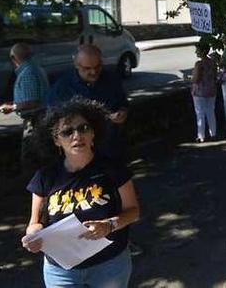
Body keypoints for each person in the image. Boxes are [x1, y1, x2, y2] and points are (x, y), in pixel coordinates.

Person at [21, 98, 140, 288]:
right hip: (61, 271)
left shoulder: (113, 169)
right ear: (56, 140)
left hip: (109, 265)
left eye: (83, 128)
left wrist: (109, 225)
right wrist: (33, 237)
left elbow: (133, 211)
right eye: (67, 132)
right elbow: (34, 223)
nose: (77, 136)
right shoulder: (46, 176)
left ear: (93, 133)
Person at [46, 45, 130, 164]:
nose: (93, 72)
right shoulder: (62, 87)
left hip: (111, 147)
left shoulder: (111, 79)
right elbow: (52, 120)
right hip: (80, 151)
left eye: (97, 67)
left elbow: (122, 102)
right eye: (87, 68)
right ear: (76, 65)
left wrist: (123, 112)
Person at [0, 42, 50, 168]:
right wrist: (14, 103)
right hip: (40, 117)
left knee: (31, 159)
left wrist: (12, 107)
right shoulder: (35, 68)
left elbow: (33, 101)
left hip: (35, 120)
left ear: (14, 58)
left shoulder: (27, 73)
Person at [191, 43, 219, 142]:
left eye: (197, 50)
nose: (196, 52)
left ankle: (201, 136)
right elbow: (215, 76)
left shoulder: (199, 64)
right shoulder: (213, 63)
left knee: (200, 113)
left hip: (200, 91)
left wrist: (188, 79)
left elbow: (195, 79)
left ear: (202, 51)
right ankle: (213, 133)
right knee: (211, 111)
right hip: (211, 90)